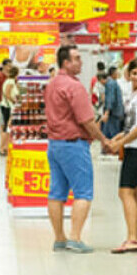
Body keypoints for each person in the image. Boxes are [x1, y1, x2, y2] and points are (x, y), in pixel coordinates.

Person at [46, 44, 114, 253]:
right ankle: (75, 238)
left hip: (55, 144)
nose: (81, 61)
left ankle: (59, 238)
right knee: (83, 192)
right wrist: (104, 139)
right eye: (76, 58)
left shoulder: (52, 84)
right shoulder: (74, 87)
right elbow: (87, 121)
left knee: (57, 193)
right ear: (66, 63)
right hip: (74, 145)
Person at [106, 58, 137, 254]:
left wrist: (121, 143)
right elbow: (131, 125)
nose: (136, 77)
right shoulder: (135, 94)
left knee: (125, 192)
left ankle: (132, 238)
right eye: (134, 73)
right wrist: (119, 137)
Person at [0, 65, 21, 158]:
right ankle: (2, 148)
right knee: (6, 128)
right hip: (7, 107)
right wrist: (13, 101)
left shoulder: (9, 81)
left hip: (7, 106)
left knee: (7, 128)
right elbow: (7, 94)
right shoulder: (10, 82)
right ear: (16, 73)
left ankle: (4, 148)